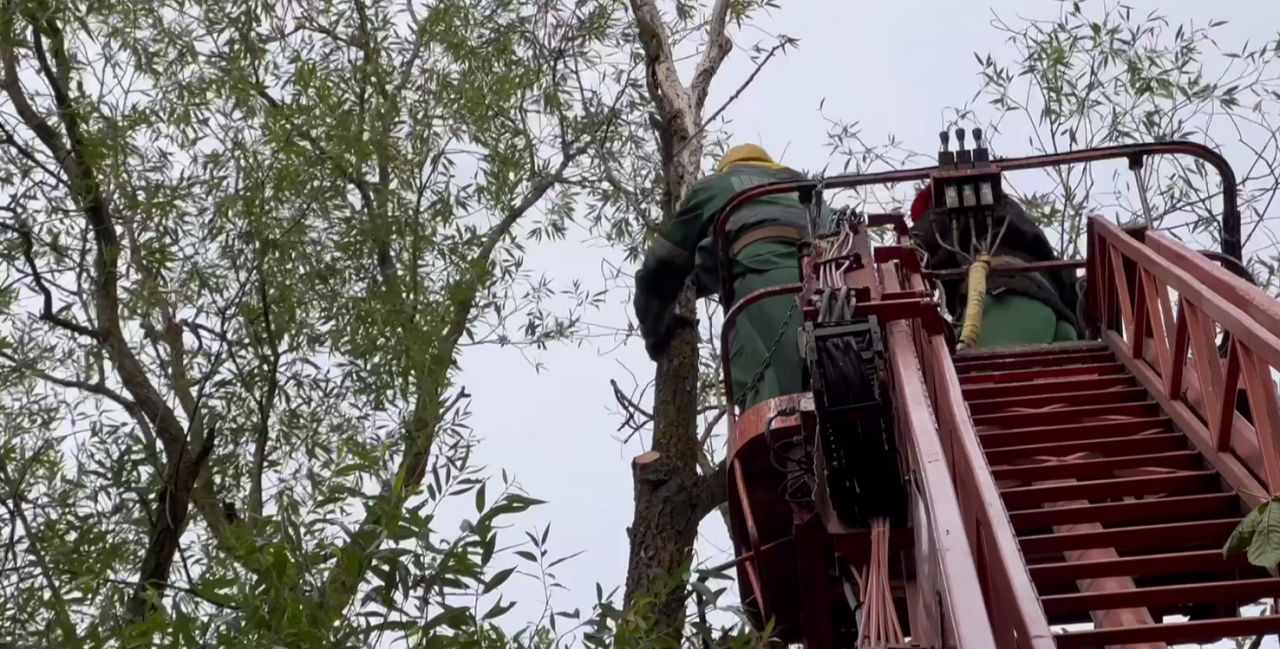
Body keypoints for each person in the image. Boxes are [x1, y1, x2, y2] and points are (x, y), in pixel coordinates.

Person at [633, 144, 830, 410]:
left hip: (760, 292)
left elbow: (662, 264)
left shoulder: (717, 185)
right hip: (830, 291)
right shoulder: (804, 188)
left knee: (770, 404)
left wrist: (655, 331)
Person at [908, 185, 1081, 347]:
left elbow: (913, 249)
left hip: (1000, 306)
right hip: (1057, 318)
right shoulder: (1014, 216)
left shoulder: (944, 211)